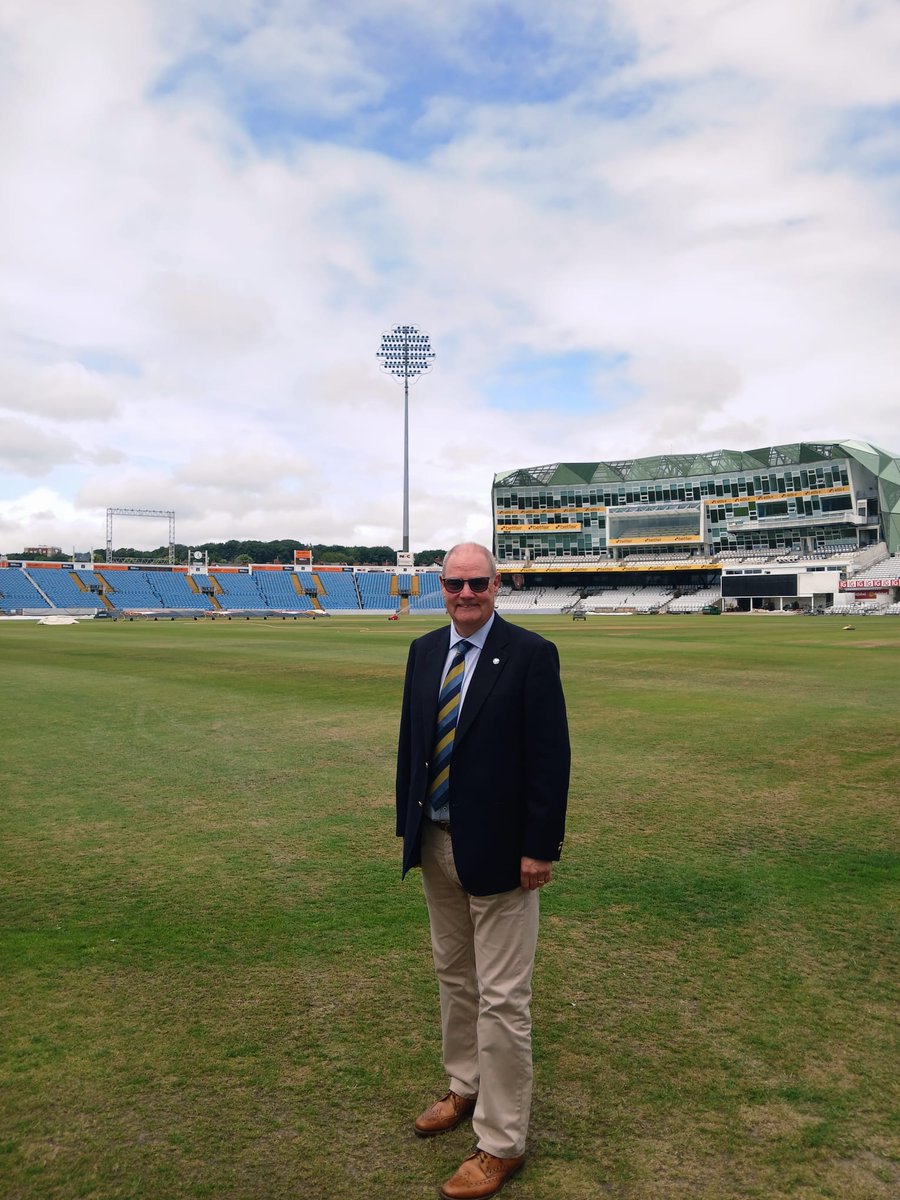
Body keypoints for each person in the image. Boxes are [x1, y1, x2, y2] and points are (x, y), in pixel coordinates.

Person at [396, 543, 570, 1200]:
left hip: (502, 854)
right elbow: (414, 747)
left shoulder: (530, 654)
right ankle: (464, 1086)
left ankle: (501, 1142)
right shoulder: (422, 651)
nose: (466, 594)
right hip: (438, 843)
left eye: (478, 583)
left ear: (497, 585)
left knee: (502, 999)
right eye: (455, 584)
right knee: (454, 977)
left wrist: (540, 847)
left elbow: (549, 759)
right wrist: (408, 830)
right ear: (439, 587)